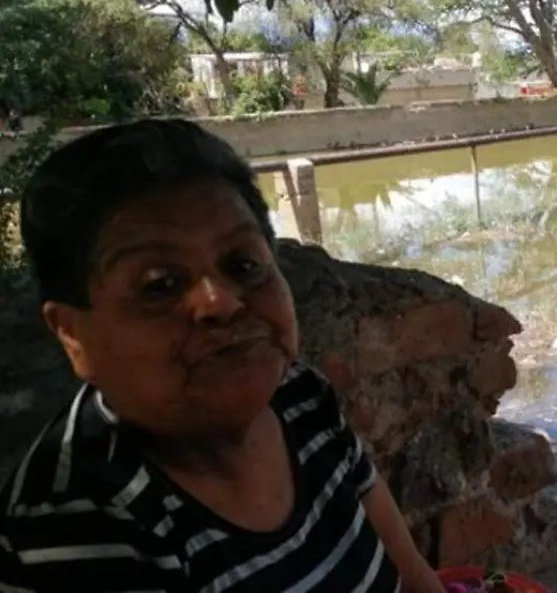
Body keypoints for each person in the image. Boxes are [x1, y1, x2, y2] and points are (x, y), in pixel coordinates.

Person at [0, 120, 445, 593]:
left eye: (244, 265)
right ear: (72, 335)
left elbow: (414, 577)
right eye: (160, 285)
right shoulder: (78, 532)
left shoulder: (299, 396)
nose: (220, 301)